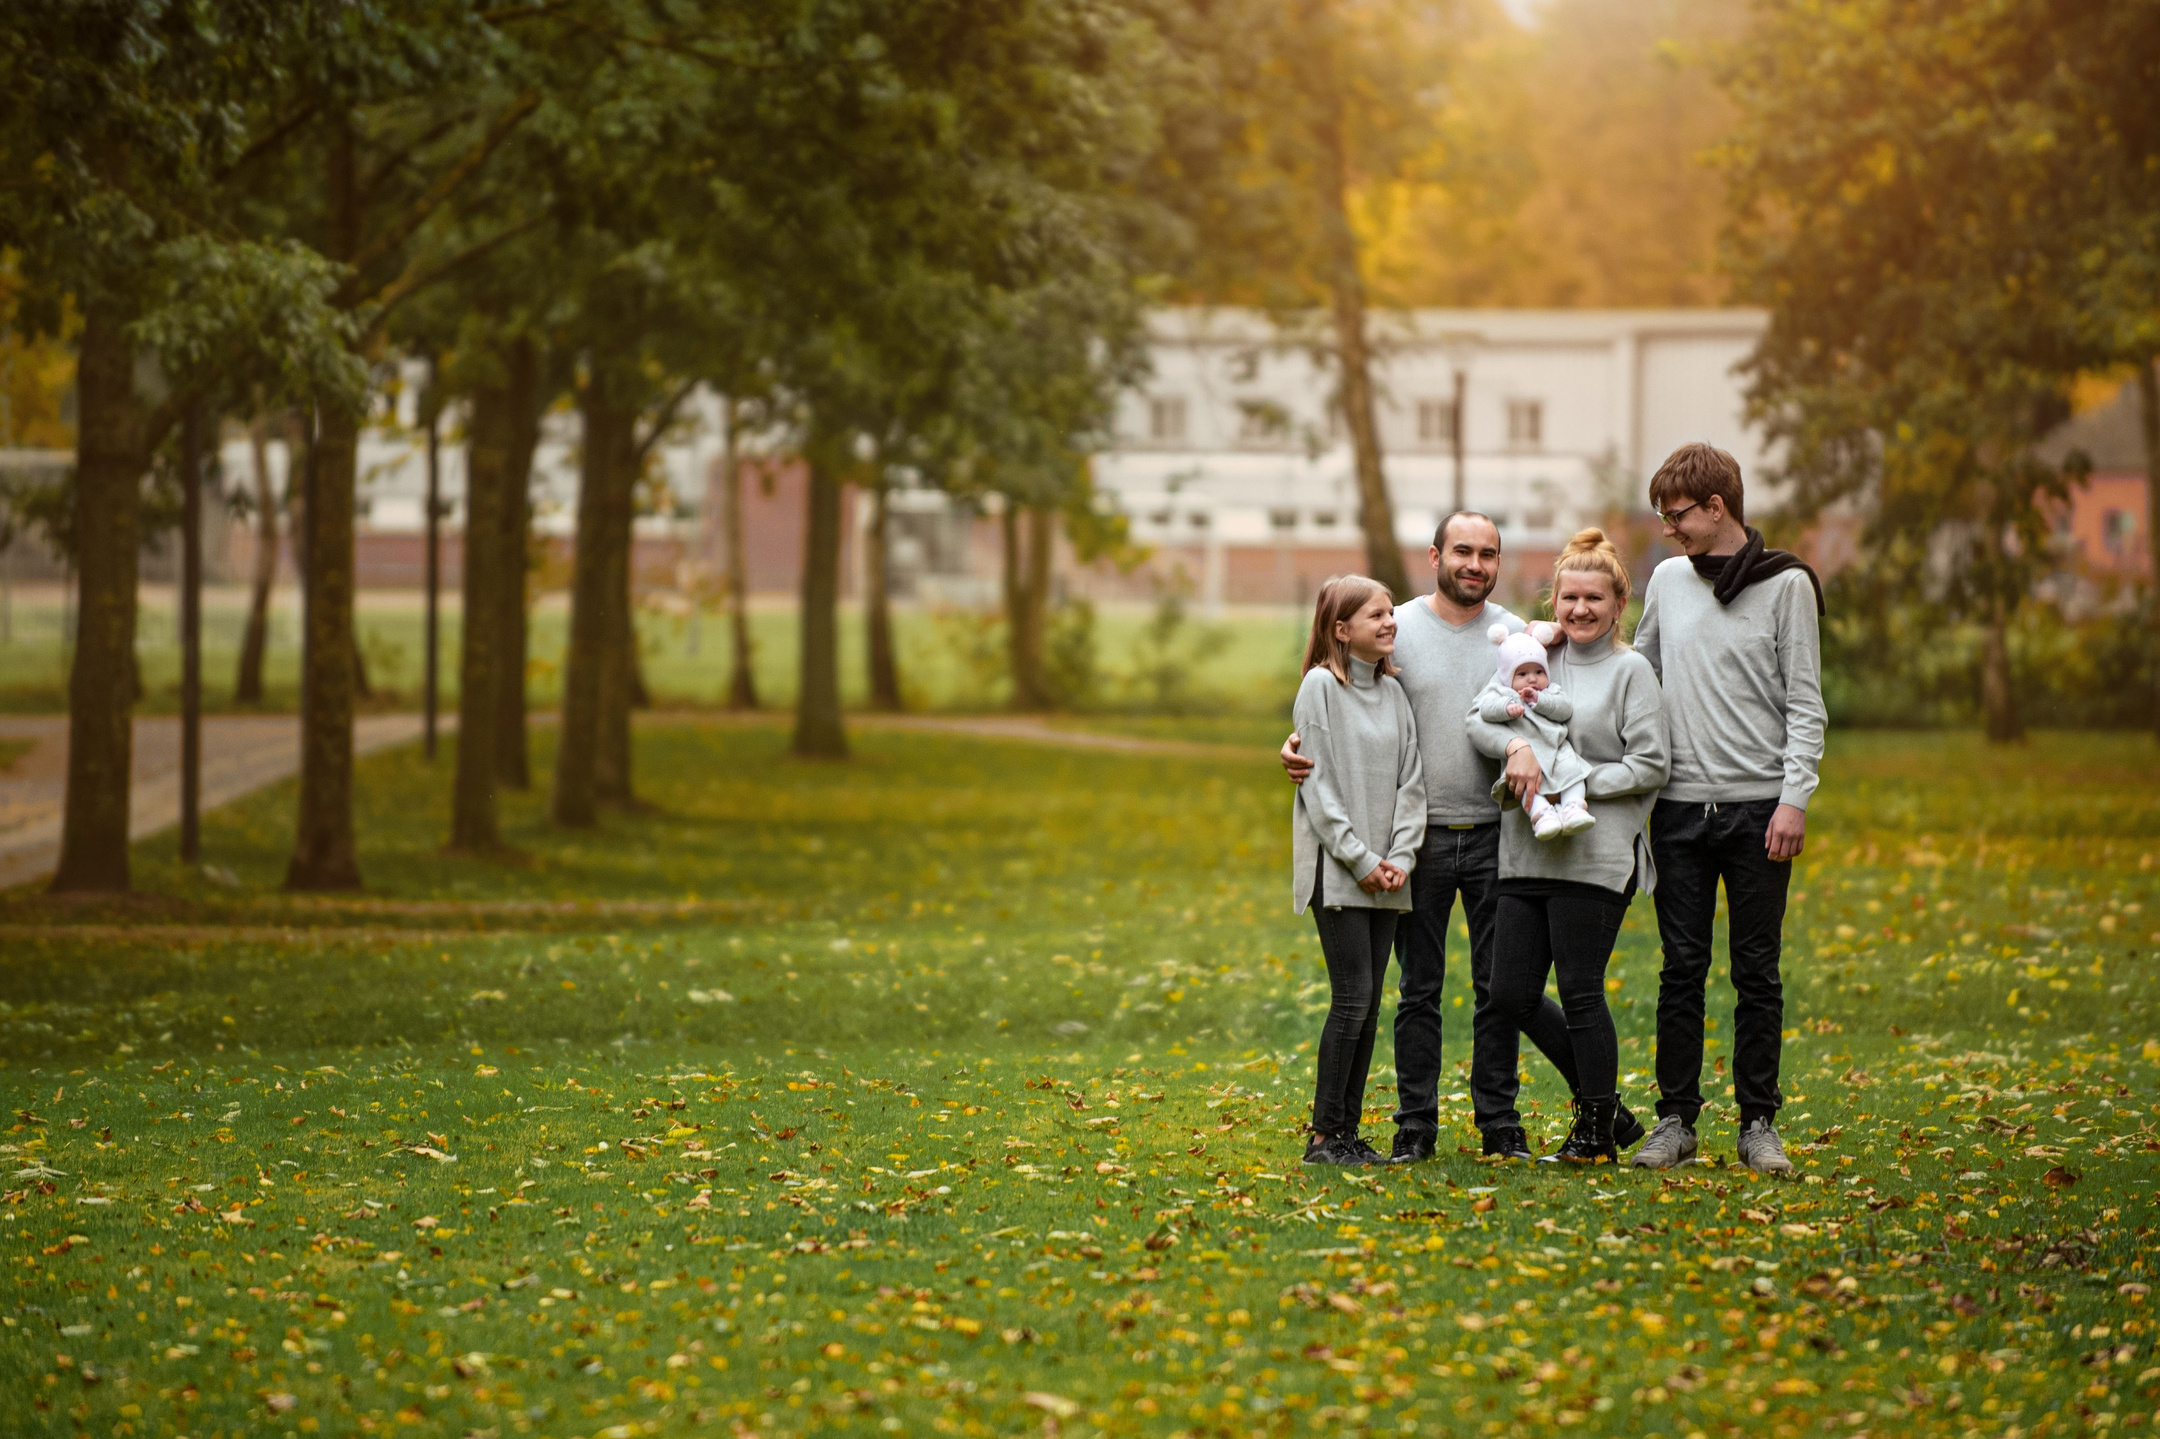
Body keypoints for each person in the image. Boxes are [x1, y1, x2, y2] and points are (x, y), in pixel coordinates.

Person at [1283, 515, 1631, 1165]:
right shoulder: (1396, 628)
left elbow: (1571, 687)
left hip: (1502, 833)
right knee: (1418, 990)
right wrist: (1296, 750)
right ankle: (1415, 1125)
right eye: (1463, 550)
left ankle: (1500, 1121)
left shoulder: (1522, 637)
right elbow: (1339, 700)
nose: (1475, 562)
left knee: (1498, 990)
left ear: (1499, 562)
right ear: (1437, 554)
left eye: (1488, 553)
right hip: (1419, 842)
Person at [1630, 443, 1826, 1175]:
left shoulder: (1787, 586)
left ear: (1718, 507)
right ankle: (1675, 1119)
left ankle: (1758, 1123)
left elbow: (1805, 701)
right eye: (1663, 516)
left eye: (1676, 514)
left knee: (1756, 970)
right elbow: (1638, 673)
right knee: (1680, 969)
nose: (1668, 529)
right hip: (1678, 810)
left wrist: (1793, 799)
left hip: (1757, 812)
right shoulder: (1668, 581)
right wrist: (1554, 649)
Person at [1471, 530, 1669, 1163]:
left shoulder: (1630, 671)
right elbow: (1479, 718)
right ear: (1553, 602)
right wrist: (1516, 746)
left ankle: (1592, 1133)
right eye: (1569, 598)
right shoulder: (1533, 660)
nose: (1581, 610)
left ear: (1619, 605)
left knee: (1581, 989)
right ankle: (1607, 1108)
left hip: (1596, 854)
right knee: (1510, 993)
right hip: (1526, 852)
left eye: (1595, 599)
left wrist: (1574, 777)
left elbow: (1651, 764)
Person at [1290, 575, 1426, 1167]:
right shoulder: (1320, 687)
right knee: (1352, 998)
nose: (1390, 621)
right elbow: (1317, 788)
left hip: (1389, 873)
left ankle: (1345, 1133)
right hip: (1340, 872)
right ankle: (1325, 1136)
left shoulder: (1394, 695)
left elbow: (1412, 783)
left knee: (1369, 1005)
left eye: (1392, 611)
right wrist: (1363, 859)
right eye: (1377, 615)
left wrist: (1399, 856)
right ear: (1342, 631)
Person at [1473, 622, 1596, 840]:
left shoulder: (1550, 691)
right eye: (1522, 674)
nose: (1532, 679)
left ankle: (1574, 806)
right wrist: (1507, 709)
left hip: (1557, 749)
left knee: (1574, 773)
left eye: (1539, 671)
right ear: (1507, 677)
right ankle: (1541, 815)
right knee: (1526, 785)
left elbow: (1564, 709)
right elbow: (1485, 710)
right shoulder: (1501, 692)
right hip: (1528, 757)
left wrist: (1540, 699)